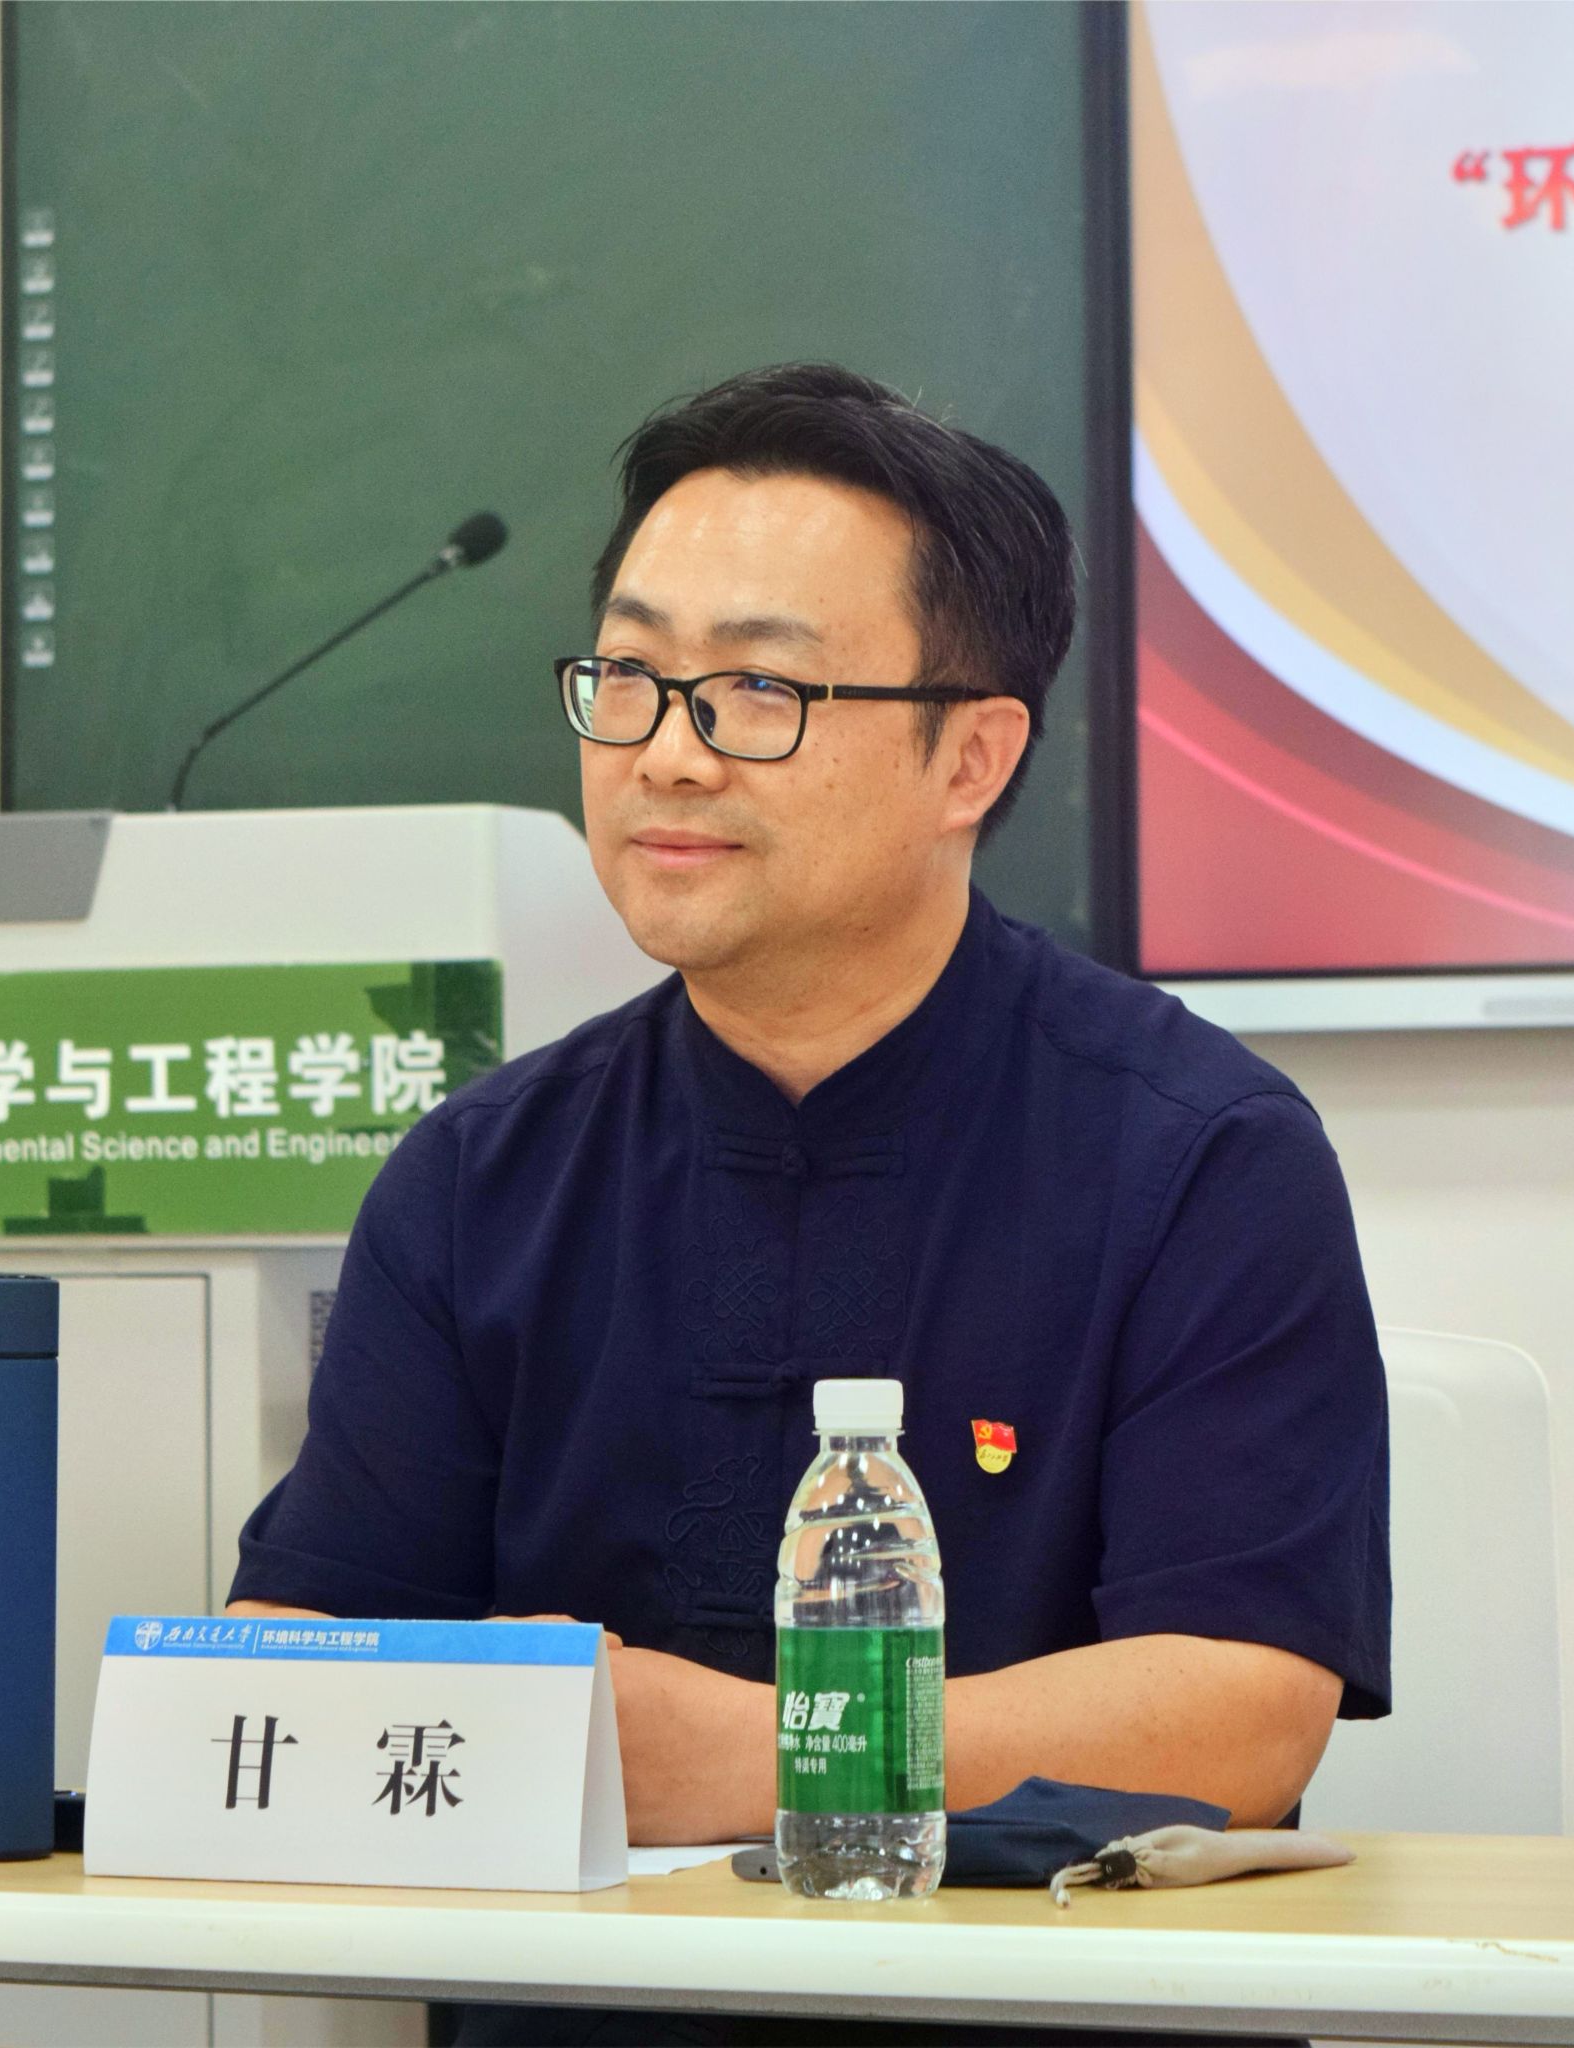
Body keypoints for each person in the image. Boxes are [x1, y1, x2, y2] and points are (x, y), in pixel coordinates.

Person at [227, 363, 1390, 2046]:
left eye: (756, 691)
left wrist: (762, 1756)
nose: (664, 757)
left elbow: (1241, 1718)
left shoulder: (1201, 1155)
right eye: (630, 679)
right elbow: (299, 1659)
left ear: (970, 756)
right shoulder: (482, 1175)